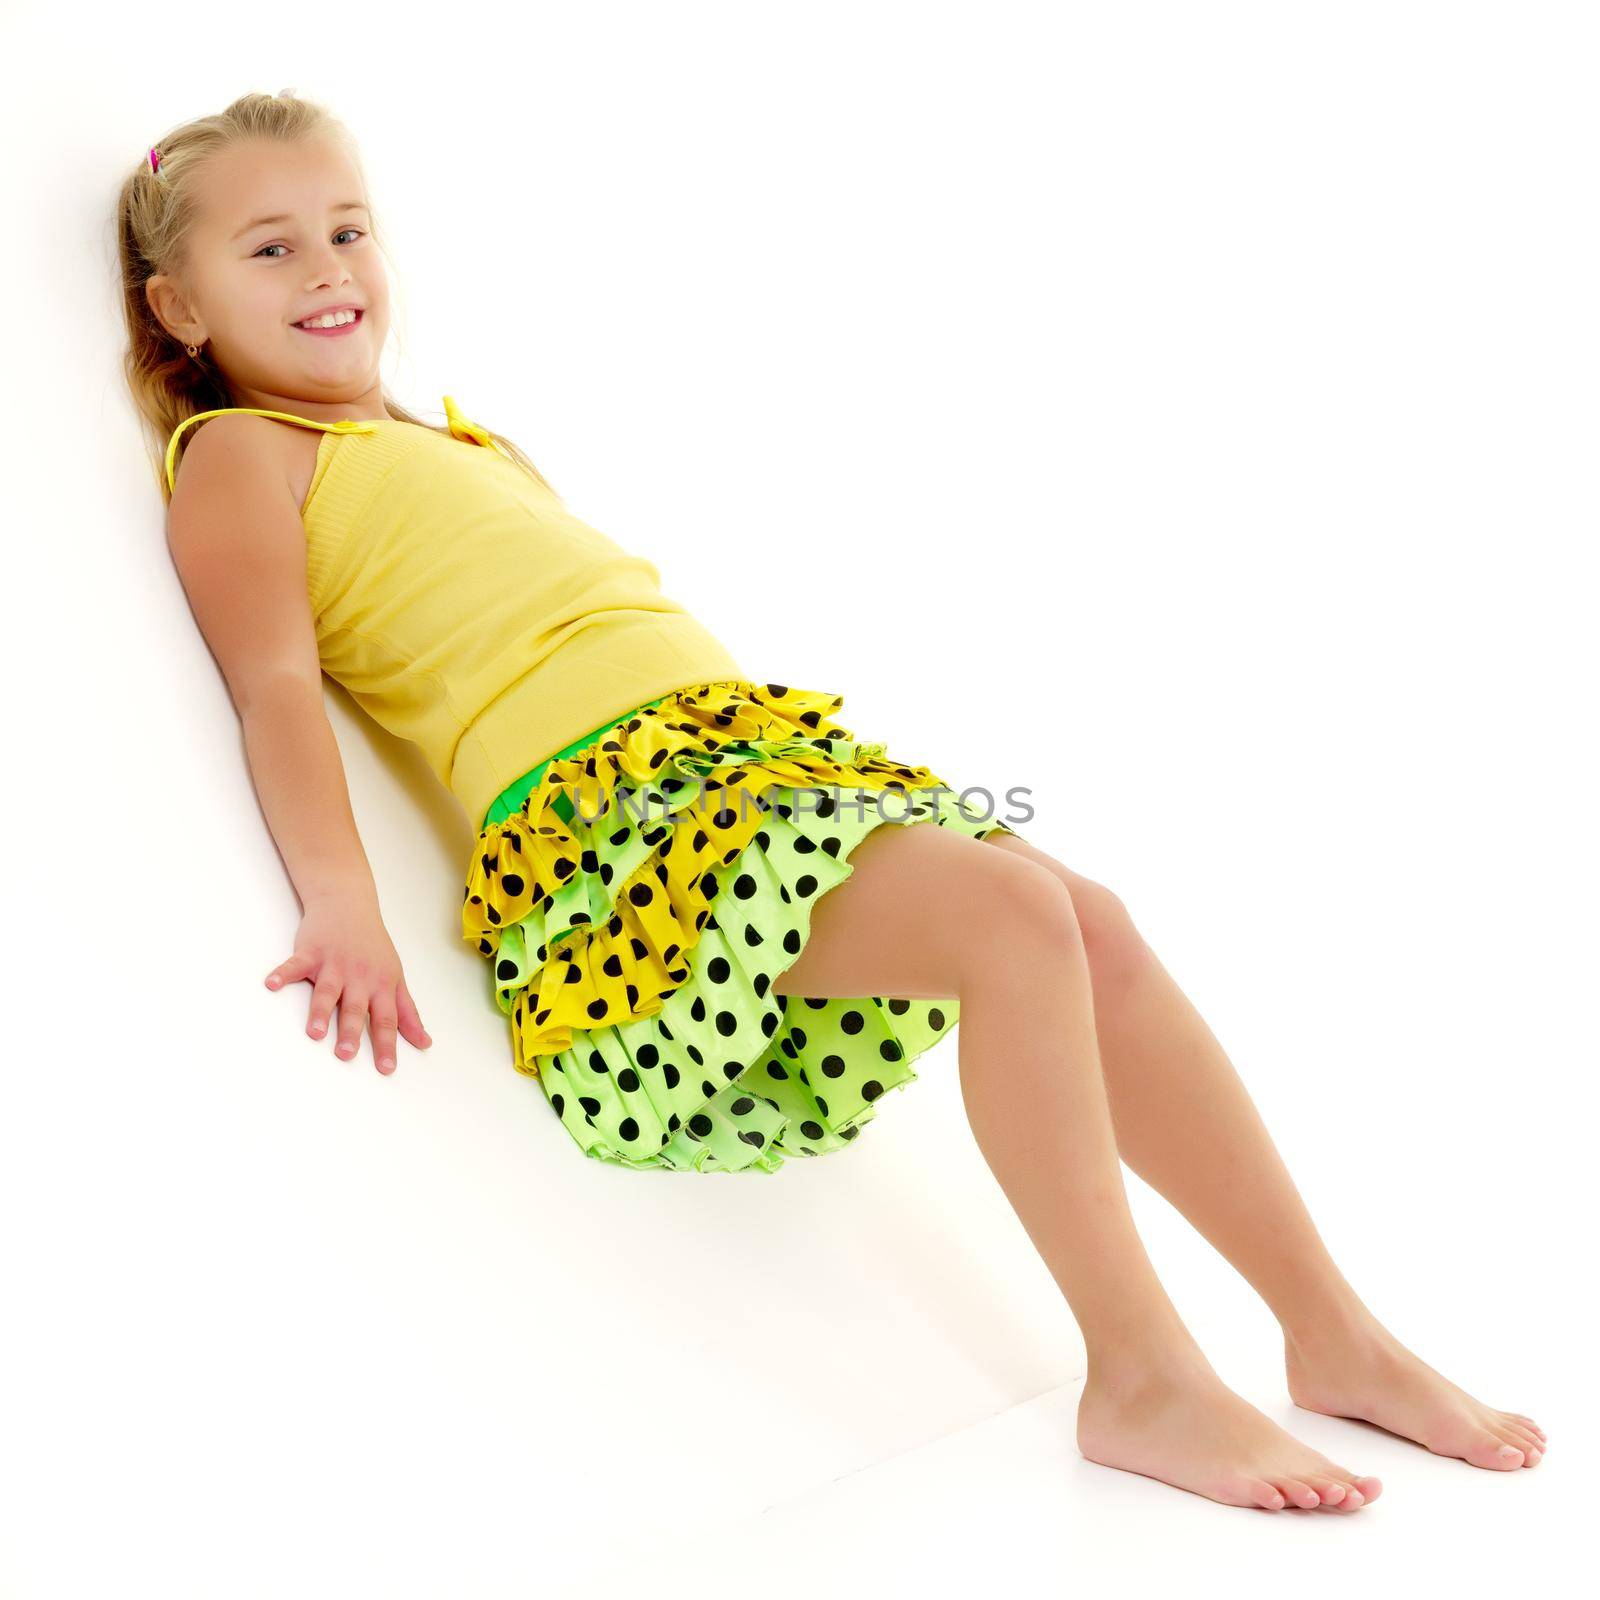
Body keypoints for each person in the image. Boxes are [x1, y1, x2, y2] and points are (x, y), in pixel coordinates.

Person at [119, 88, 1545, 1514]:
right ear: (180, 306)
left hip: (743, 770)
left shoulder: (471, 446)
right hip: (620, 852)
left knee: (1086, 921)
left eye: (348, 230)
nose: (328, 271)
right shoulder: (248, 457)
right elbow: (277, 690)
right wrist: (343, 899)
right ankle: (1145, 1377)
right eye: (271, 249)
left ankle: (1332, 1330)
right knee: (1011, 917)